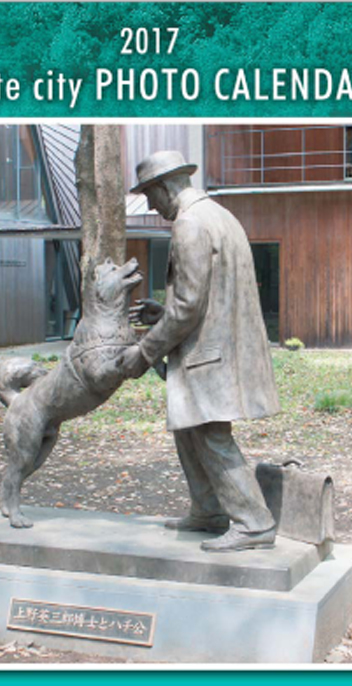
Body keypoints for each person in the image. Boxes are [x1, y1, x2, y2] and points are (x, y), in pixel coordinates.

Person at [118, 151, 280, 553]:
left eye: (150, 196)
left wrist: (144, 352)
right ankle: (208, 509)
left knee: (210, 435)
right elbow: (209, 296)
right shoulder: (220, 216)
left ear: (164, 187)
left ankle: (254, 522)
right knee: (189, 429)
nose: (151, 206)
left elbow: (189, 306)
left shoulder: (189, 223)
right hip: (221, 347)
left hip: (209, 355)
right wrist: (163, 314)